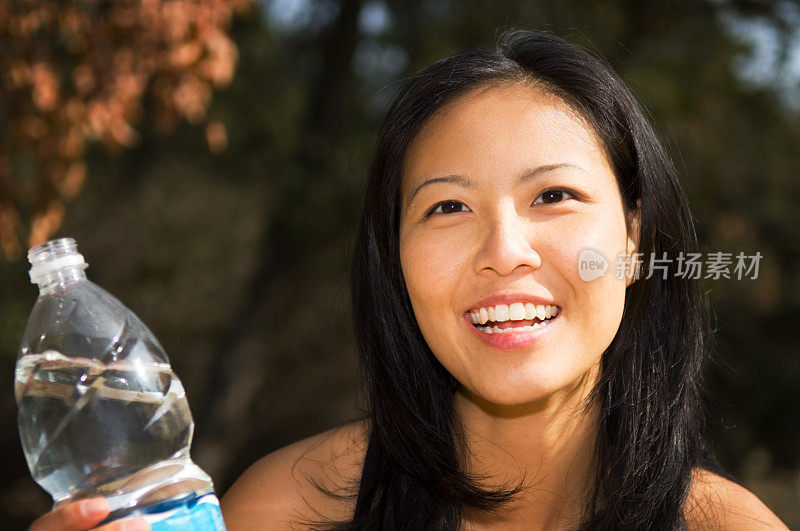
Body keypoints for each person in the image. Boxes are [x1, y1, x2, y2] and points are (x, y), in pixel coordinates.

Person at [31, 29, 786, 531]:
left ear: (631, 232)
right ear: (392, 255)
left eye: (553, 195)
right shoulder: (290, 509)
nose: (504, 249)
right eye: (448, 206)